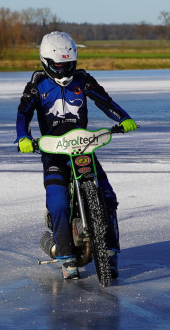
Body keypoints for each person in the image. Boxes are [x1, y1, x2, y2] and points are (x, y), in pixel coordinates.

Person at [16, 31, 138, 280]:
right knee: (58, 203)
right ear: (46, 62)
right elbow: (23, 115)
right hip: (54, 154)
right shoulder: (37, 85)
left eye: (67, 65)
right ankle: (65, 256)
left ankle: (111, 252)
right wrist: (23, 136)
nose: (63, 71)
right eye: (58, 66)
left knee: (108, 197)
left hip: (84, 150)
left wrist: (123, 118)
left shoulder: (83, 80)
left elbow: (105, 101)